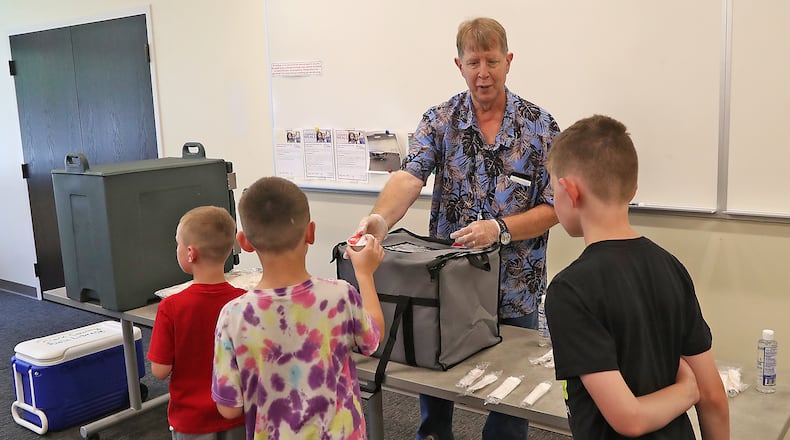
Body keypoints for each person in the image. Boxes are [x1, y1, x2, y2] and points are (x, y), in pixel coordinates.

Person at [354, 16, 560, 440]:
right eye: (473, 62)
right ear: (458, 64)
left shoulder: (540, 127)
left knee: (511, 394)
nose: (482, 72)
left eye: (491, 61)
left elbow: (555, 207)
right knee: (439, 383)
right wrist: (379, 220)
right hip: (449, 283)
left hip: (515, 286)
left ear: (509, 61)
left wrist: (499, 229)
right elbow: (410, 177)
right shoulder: (440, 119)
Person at [544, 115, 730, 439]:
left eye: (552, 192)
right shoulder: (670, 266)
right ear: (633, 190)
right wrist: (689, 390)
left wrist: (689, 391)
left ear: (569, 191)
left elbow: (629, 419)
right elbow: (713, 396)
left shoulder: (569, 290)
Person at [211, 176, 385, 439]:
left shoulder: (233, 316)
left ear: (243, 242)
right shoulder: (340, 295)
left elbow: (228, 408)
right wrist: (365, 275)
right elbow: (372, 340)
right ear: (311, 232)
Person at [148, 206, 246, 440]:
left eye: (177, 244)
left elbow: (159, 371)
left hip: (191, 420)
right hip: (239, 413)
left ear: (190, 253)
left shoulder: (171, 307)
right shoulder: (244, 301)